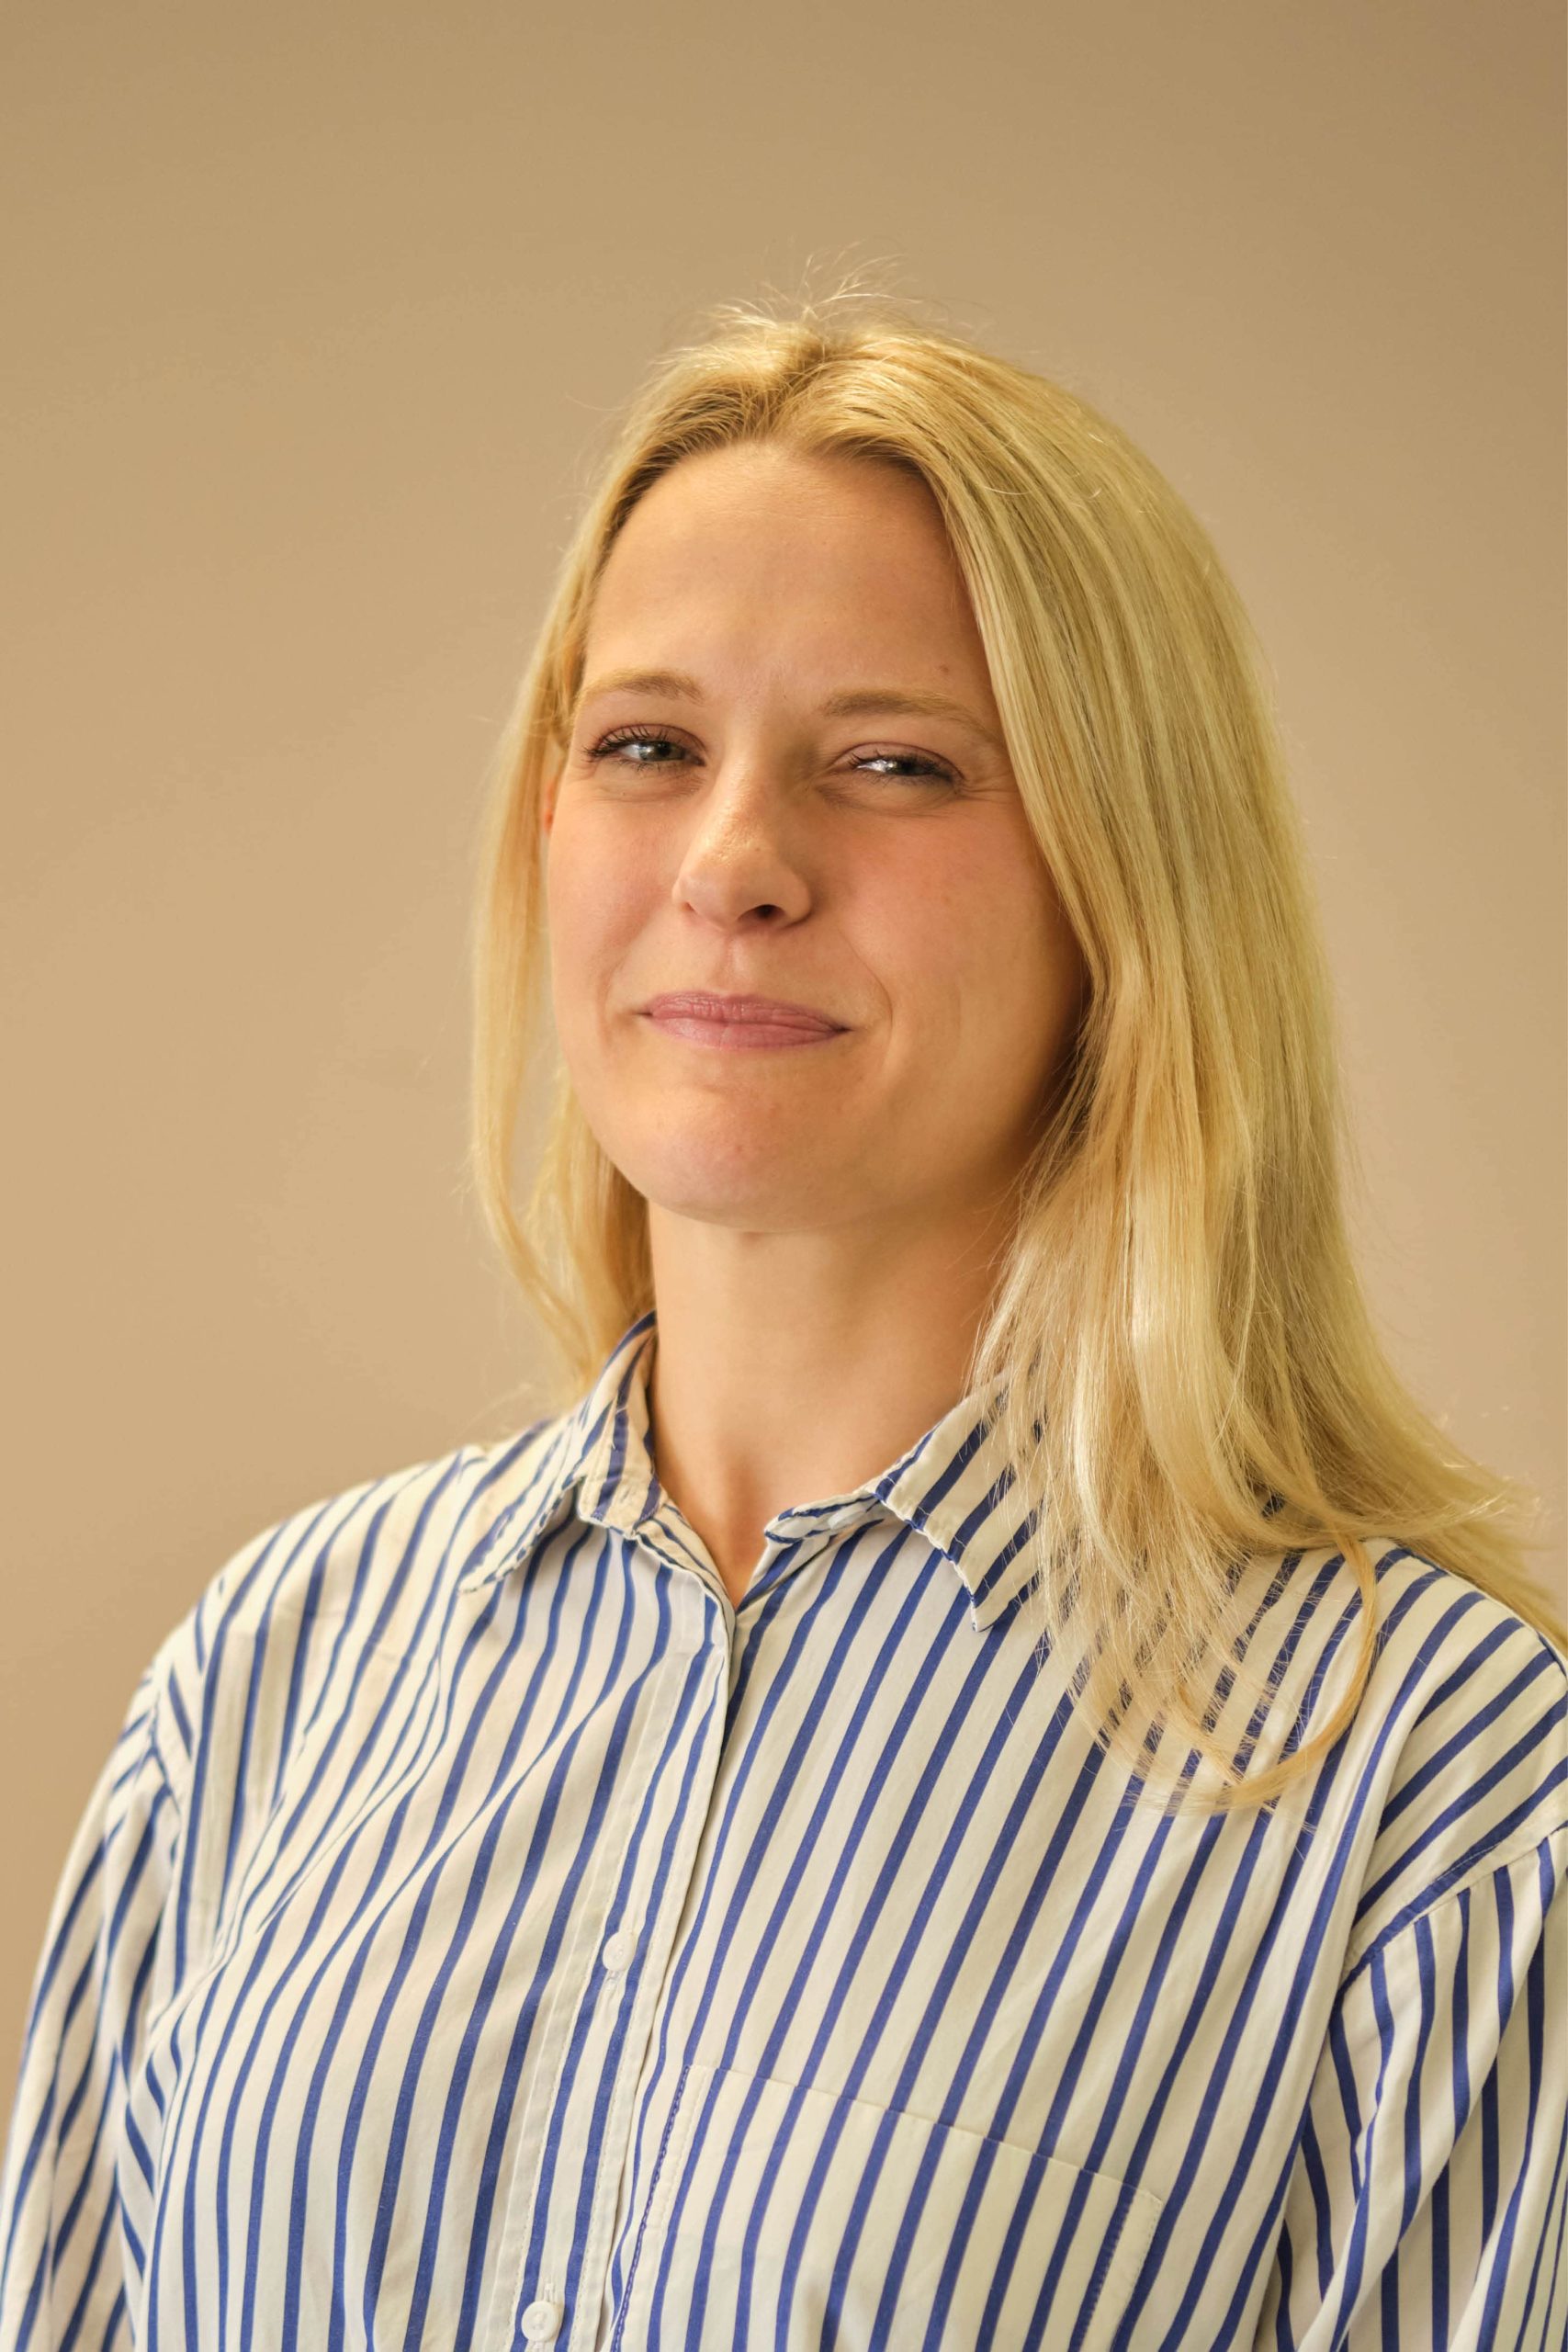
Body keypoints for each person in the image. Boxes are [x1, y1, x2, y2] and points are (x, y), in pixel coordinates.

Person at [1, 288, 1563, 2352]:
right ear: (548, 828)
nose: (735, 860)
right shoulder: (269, 1682)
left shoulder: (1428, 1788)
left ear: (1128, 883)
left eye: (895, 764)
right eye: (646, 743)